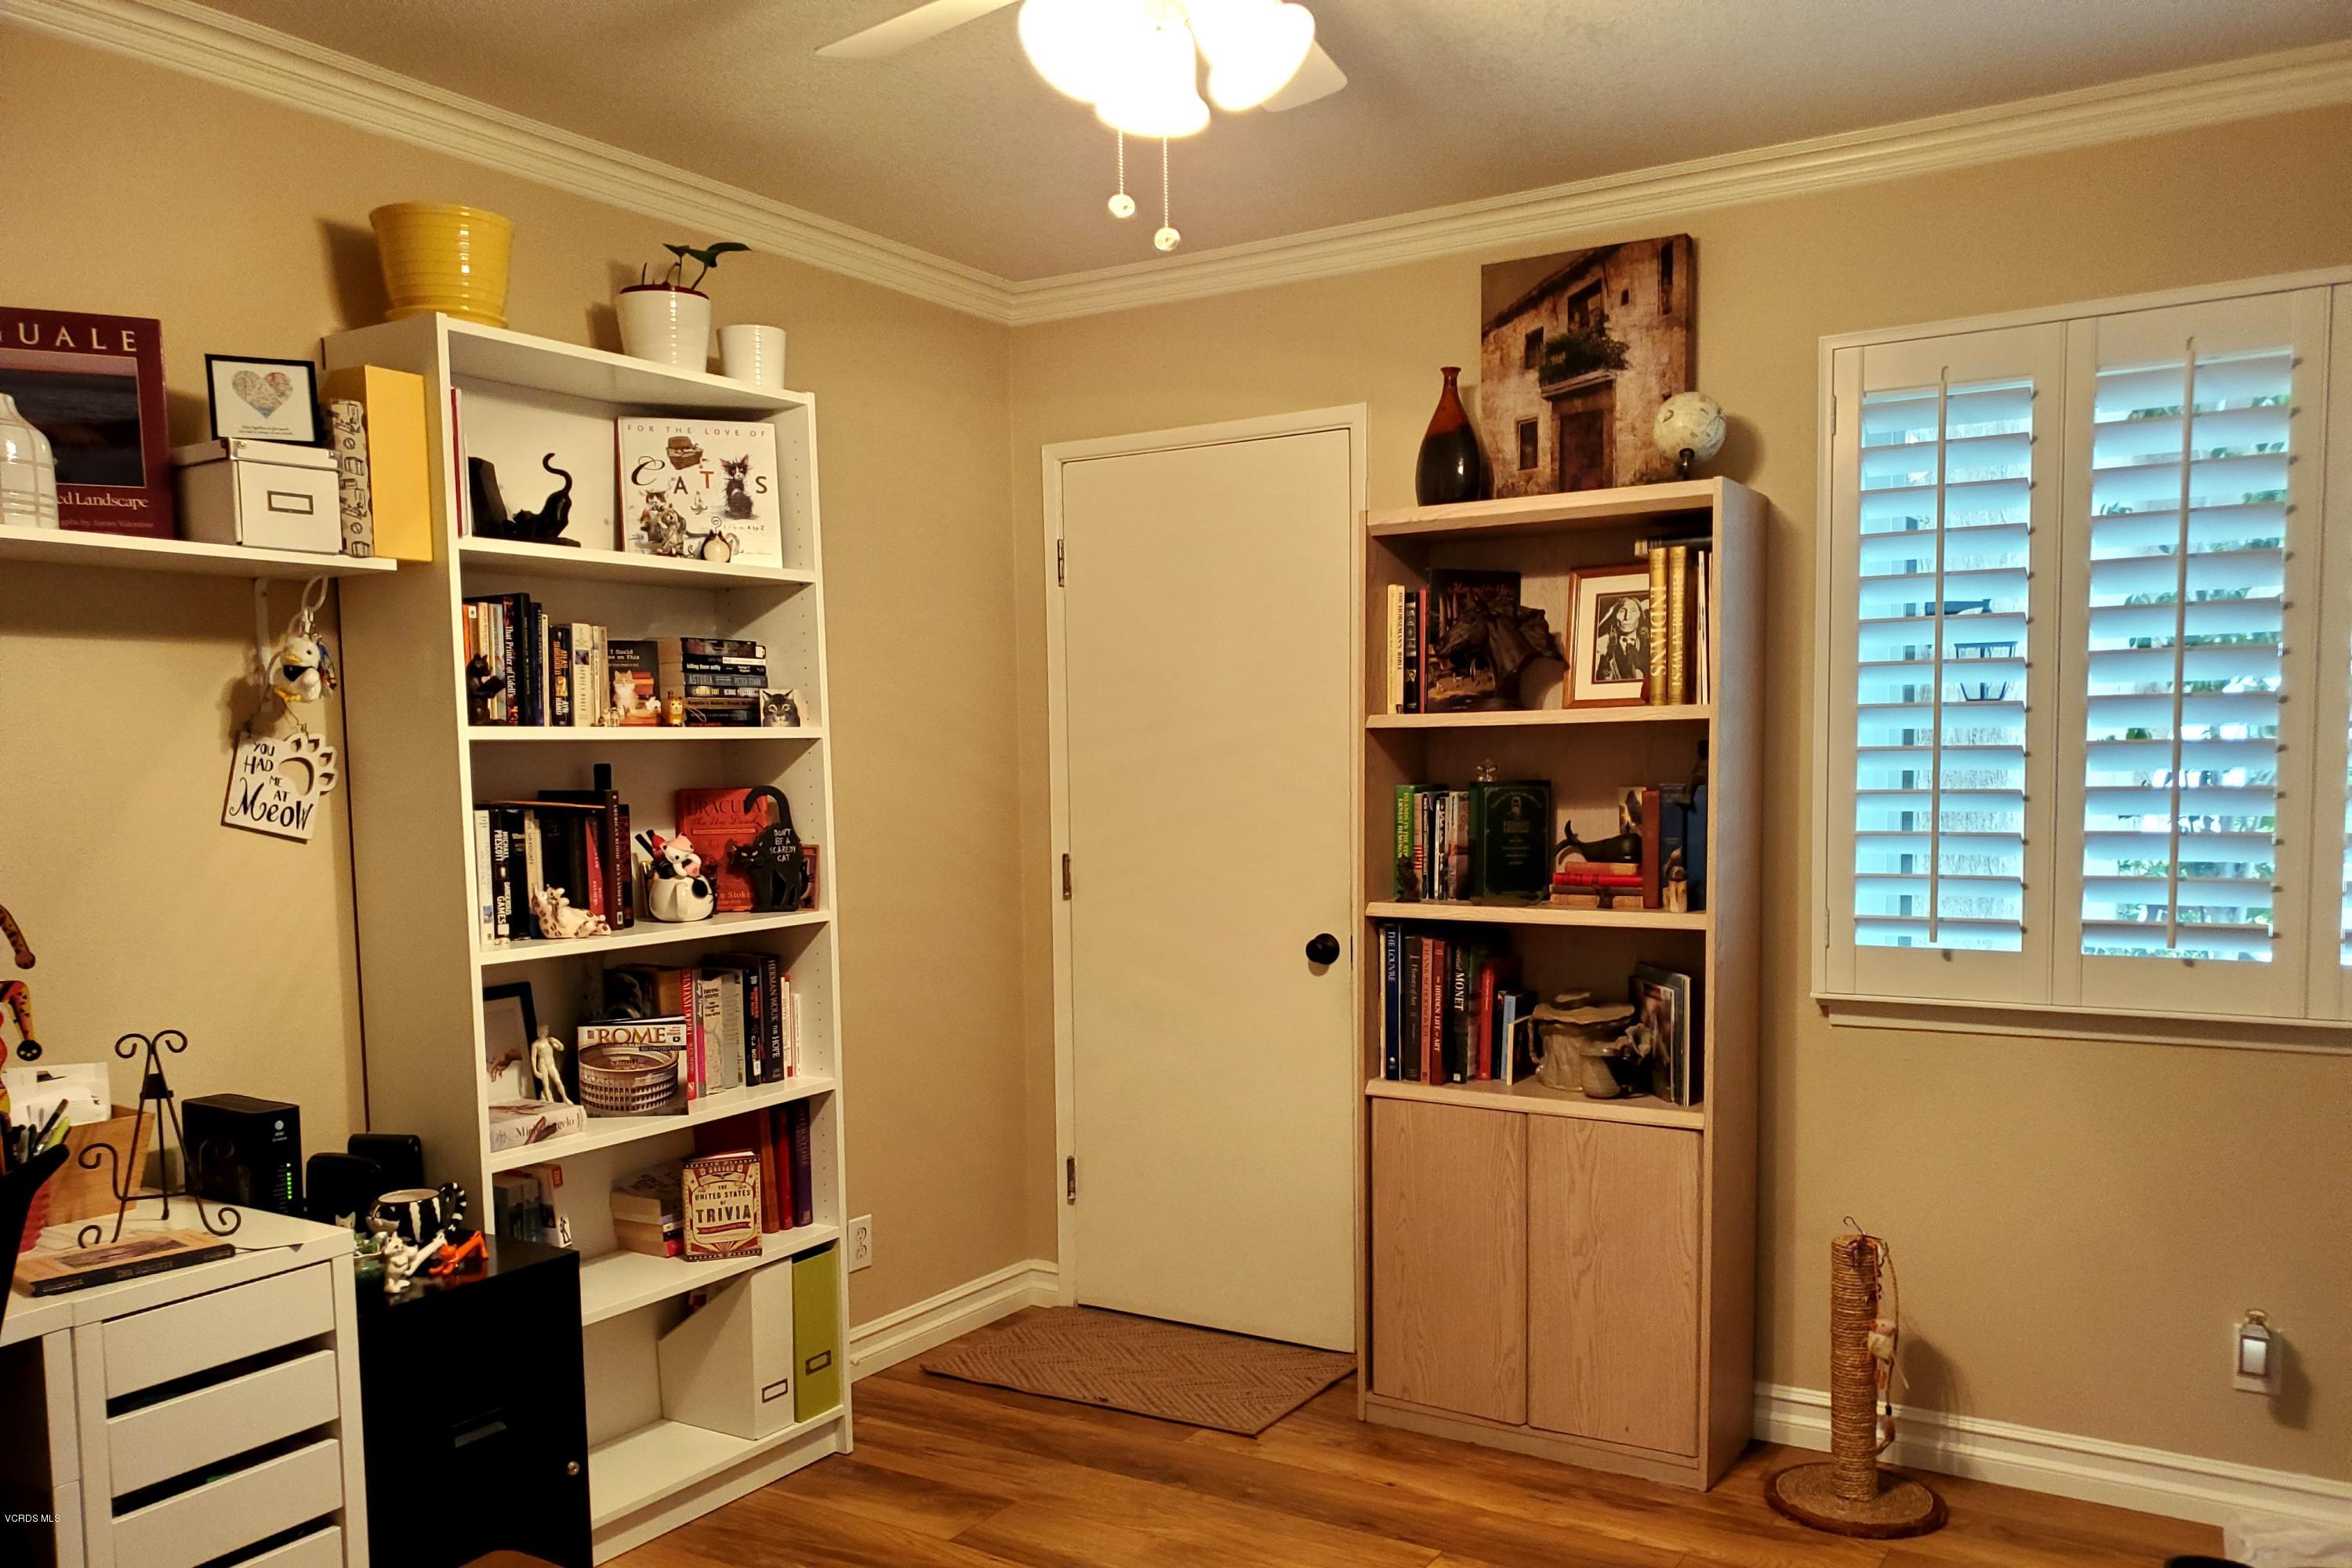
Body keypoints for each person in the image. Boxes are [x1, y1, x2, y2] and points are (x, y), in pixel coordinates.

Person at [1594, 593, 1647, 684]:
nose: (1627, 617)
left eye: (1633, 611)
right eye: (1622, 611)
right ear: (1615, 615)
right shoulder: (1602, 645)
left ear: (1640, 615)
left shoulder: (1648, 645)